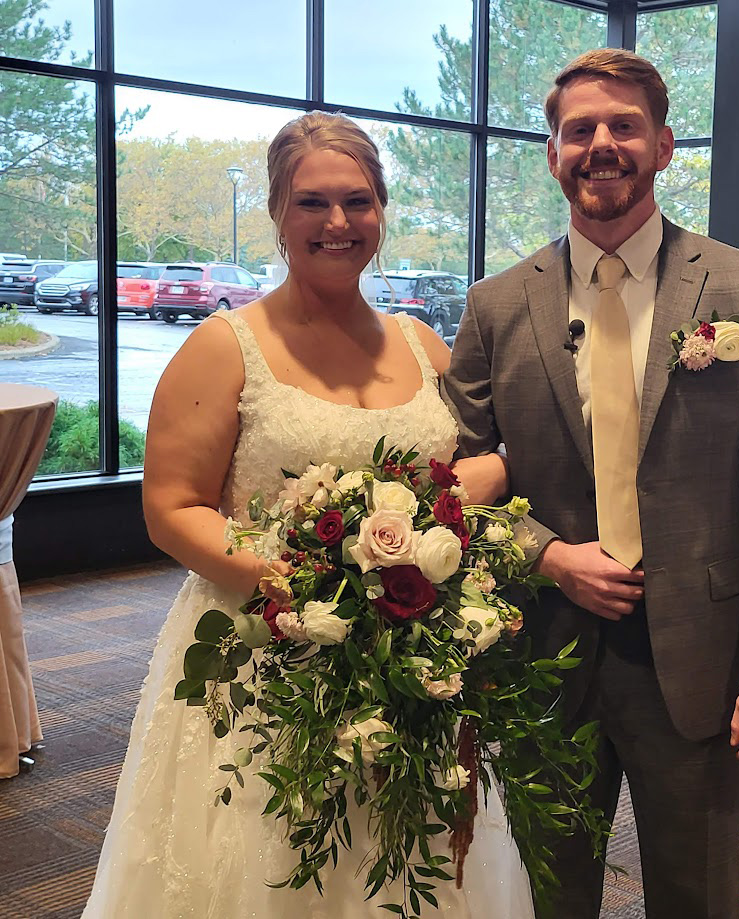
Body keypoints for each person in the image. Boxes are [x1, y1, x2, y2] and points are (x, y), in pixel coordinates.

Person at [82, 112, 534, 919]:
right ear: (277, 212)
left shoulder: (421, 341)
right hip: (265, 651)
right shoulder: (224, 347)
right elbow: (171, 508)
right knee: (274, 856)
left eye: (358, 202)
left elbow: (465, 472)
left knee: (408, 849)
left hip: (409, 653)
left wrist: (479, 489)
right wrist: (316, 587)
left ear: (382, 212)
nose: (337, 223)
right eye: (310, 203)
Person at [443, 49, 739, 919]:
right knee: (551, 895)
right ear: (551, 154)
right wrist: (545, 556)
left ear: (662, 146)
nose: (601, 144)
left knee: (697, 894)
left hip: (696, 657)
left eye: (623, 126)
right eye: (579, 130)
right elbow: (455, 485)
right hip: (541, 653)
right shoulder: (494, 305)